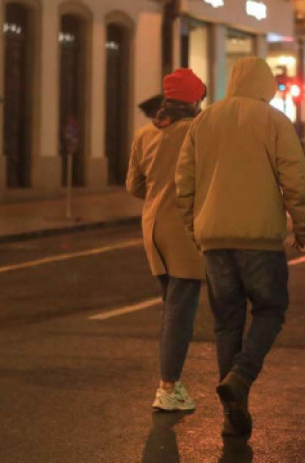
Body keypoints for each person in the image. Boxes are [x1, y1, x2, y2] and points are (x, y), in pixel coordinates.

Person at [175, 57, 305, 438]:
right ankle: (241, 375)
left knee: (226, 324)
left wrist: (195, 228)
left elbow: (183, 181)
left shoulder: (204, 121)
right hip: (261, 241)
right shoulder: (275, 121)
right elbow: (295, 181)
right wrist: (303, 228)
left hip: (215, 241)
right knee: (270, 310)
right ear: (266, 84)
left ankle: (233, 409)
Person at [127, 69, 207, 411]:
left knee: (170, 307)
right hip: (183, 230)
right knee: (180, 311)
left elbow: (134, 186)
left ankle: (170, 382)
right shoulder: (196, 131)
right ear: (192, 100)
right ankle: (168, 387)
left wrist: (158, 193)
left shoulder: (145, 134)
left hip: (153, 228)